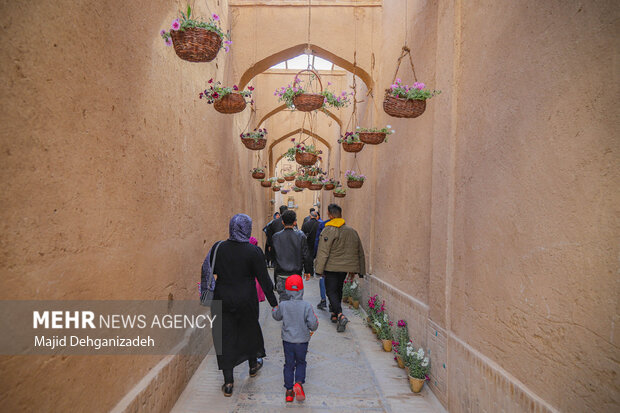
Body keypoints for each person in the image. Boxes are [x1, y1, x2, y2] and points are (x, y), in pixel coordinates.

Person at [208, 214, 278, 397]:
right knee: (249, 330)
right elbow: (264, 279)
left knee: (225, 337)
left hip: (222, 298)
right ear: (247, 229)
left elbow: (210, 269)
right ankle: (253, 365)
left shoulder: (218, 247)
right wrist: (274, 303)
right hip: (246, 299)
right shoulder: (253, 251)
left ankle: (229, 382)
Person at [315, 204, 366, 332]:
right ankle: (334, 314)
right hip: (344, 268)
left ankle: (340, 314)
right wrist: (357, 269)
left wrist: (319, 269)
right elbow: (358, 251)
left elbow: (323, 251)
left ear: (330, 215)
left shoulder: (328, 230)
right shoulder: (352, 231)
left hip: (331, 267)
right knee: (338, 289)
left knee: (330, 291)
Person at [271, 274, 319, 402]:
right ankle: (298, 382)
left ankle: (289, 391)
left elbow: (276, 316)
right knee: (301, 362)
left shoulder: (283, 305)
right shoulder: (306, 306)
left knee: (289, 364)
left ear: (287, 290)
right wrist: (313, 325)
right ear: (302, 290)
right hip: (302, 341)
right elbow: (313, 324)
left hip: (287, 341)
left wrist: (274, 309)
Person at [271, 210, 313, 296]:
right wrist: (307, 271)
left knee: (283, 300)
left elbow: (273, 255)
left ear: (283, 222)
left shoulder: (276, 237)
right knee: (296, 300)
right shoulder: (301, 236)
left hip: (281, 274)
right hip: (296, 274)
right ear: (294, 222)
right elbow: (306, 254)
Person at [265, 206, 287, 279]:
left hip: (276, 247)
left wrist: (269, 245)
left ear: (280, 212)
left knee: (276, 266)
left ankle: (277, 283)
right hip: (287, 247)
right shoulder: (290, 222)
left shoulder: (274, 222)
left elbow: (269, 234)